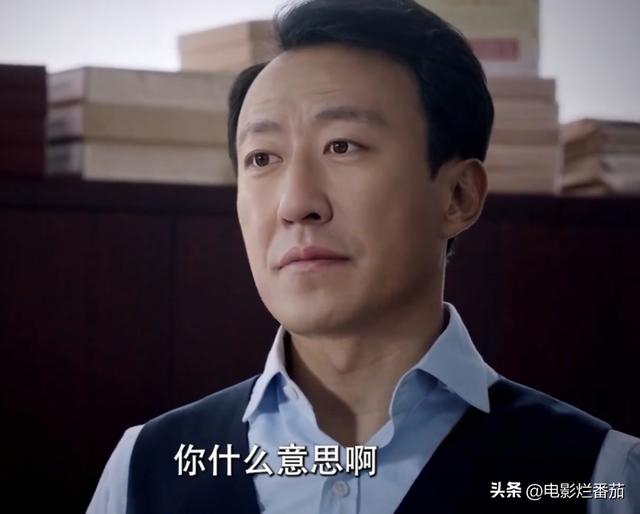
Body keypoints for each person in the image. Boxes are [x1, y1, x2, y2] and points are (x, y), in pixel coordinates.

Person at [87, 0, 639, 513]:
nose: (296, 204)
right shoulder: (143, 470)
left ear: (457, 196)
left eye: (343, 146)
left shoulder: (598, 476)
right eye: (262, 158)